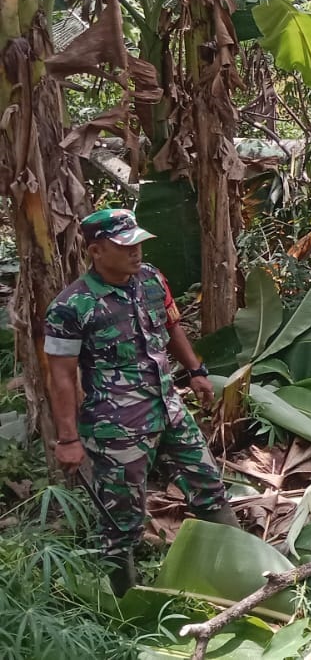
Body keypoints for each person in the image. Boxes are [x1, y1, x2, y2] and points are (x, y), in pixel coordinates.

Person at [44, 208, 239, 596]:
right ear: (97, 251)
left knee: (209, 486)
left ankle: (239, 571)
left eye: (138, 244)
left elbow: (171, 326)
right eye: (125, 246)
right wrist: (68, 439)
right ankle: (126, 602)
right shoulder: (71, 307)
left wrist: (196, 371)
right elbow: (61, 376)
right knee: (122, 520)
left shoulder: (151, 280)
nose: (136, 253)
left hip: (169, 409)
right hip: (116, 427)